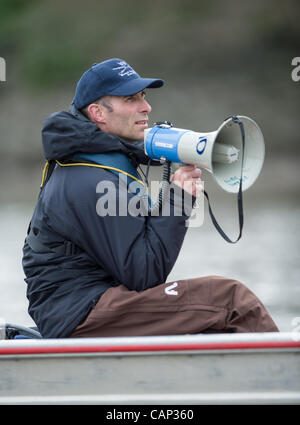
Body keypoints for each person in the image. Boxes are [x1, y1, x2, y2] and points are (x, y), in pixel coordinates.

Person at [22, 58, 278, 338]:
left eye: (144, 97)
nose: (146, 107)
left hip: (87, 304)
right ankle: (283, 377)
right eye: (131, 99)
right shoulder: (89, 179)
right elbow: (144, 274)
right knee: (231, 300)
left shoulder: (101, 163)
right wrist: (178, 199)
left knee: (208, 316)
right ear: (98, 112)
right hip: (79, 313)